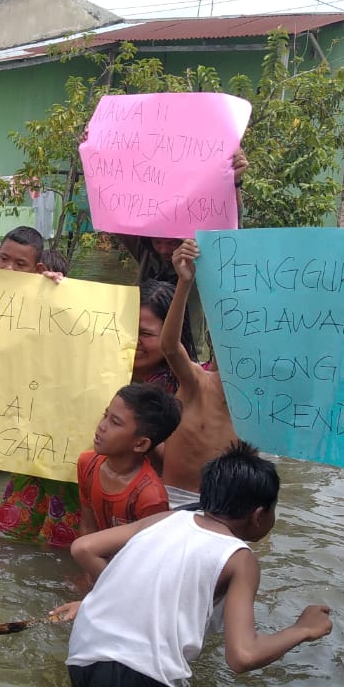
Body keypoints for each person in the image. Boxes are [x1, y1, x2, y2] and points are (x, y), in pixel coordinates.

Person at [55, 441, 332, 687]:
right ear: (258, 514)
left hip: (82, 657)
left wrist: (107, 596)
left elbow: (83, 547)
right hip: (137, 675)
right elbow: (243, 656)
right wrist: (302, 629)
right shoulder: (240, 558)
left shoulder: (165, 519)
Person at [0, 226, 78, 546]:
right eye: (3, 259)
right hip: (20, 436)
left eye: (20, 264)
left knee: (62, 535)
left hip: (58, 433)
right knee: (8, 534)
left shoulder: (54, 299)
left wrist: (61, 296)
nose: (8, 269)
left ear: (38, 269)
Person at [117, 150, 248, 359]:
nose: (164, 250)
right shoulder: (146, 252)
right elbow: (115, 210)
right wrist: (95, 154)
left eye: (171, 243)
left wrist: (234, 183)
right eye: (158, 242)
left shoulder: (202, 257)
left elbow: (231, 226)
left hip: (188, 355)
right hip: (144, 352)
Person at [159, 238, 240, 508]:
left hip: (225, 507)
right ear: (211, 337)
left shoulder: (261, 399)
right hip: (174, 499)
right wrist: (184, 283)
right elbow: (170, 347)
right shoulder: (197, 381)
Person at [78, 383, 178, 537]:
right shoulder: (87, 463)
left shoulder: (151, 497)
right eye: (105, 415)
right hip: (93, 555)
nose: (102, 426)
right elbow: (87, 527)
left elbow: (148, 552)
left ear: (141, 444)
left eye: (115, 422)